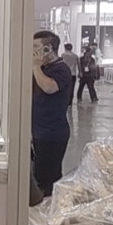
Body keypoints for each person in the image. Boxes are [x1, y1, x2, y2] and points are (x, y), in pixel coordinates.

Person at [32, 30, 73, 200]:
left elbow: (49, 88)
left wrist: (35, 66)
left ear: (48, 49)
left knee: (48, 178)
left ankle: (49, 207)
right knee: (38, 174)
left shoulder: (61, 69)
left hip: (52, 133)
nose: (32, 51)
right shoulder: (41, 69)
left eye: (35, 47)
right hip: (38, 131)